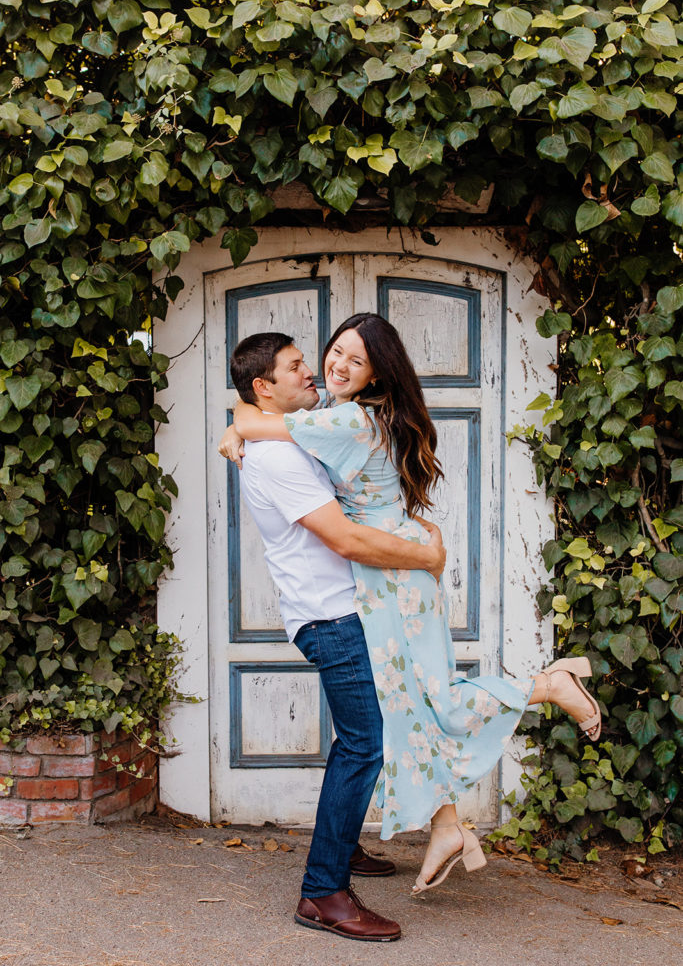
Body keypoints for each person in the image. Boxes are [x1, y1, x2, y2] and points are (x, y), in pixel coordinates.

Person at [226, 313, 602, 896]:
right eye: (332, 353)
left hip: (392, 573)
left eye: (355, 359)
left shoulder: (348, 418)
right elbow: (260, 410)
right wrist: (238, 426)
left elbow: (263, 419)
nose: (331, 367)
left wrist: (239, 428)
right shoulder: (341, 408)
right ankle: (446, 826)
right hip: (387, 571)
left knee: (432, 702)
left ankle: (547, 687)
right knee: (408, 705)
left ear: (377, 372)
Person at [220, 331, 449, 943]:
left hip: (347, 608)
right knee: (364, 742)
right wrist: (423, 558)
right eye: (297, 368)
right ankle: (323, 892)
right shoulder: (277, 458)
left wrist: (237, 424)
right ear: (266, 385)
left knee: (360, 738)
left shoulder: (296, 434)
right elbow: (346, 540)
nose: (313, 373)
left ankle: (342, 850)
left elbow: (251, 417)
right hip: (331, 617)